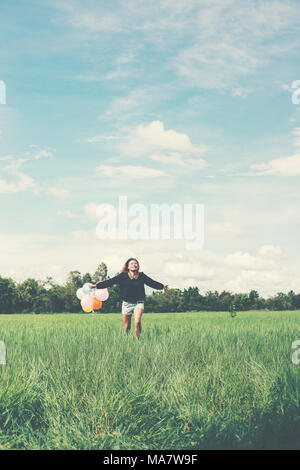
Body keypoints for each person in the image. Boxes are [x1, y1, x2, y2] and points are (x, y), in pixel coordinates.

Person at [91, 258, 168, 339]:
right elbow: (110, 282)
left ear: (138, 266)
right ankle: (127, 339)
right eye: (131, 264)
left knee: (137, 322)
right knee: (127, 326)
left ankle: (138, 339)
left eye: (136, 263)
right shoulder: (123, 276)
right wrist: (97, 286)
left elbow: (152, 283)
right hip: (126, 303)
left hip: (139, 302)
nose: (134, 265)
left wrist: (162, 286)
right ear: (128, 267)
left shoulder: (142, 276)